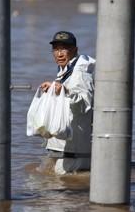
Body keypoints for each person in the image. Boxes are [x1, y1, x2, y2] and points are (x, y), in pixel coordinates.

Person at [40, 31, 96, 175]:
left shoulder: (80, 74)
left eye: (64, 49)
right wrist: (53, 90)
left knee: (58, 184)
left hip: (74, 149)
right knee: (46, 177)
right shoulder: (66, 70)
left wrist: (65, 91)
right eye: (56, 49)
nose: (59, 54)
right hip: (64, 146)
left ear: (75, 50)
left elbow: (84, 104)